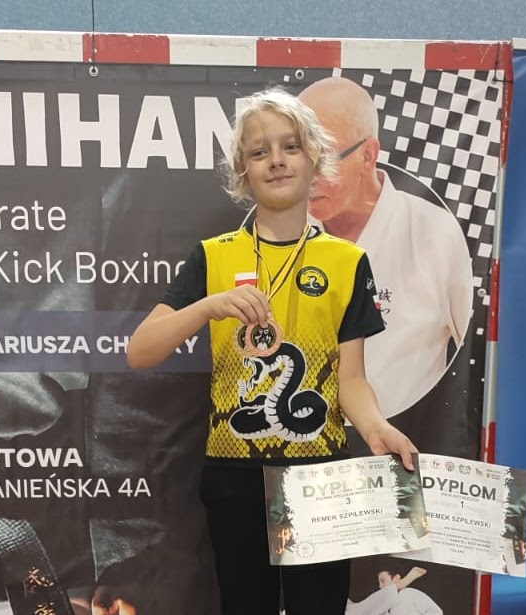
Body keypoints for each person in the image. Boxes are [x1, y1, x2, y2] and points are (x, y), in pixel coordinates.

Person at [126, 87, 417, 615]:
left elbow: (351, 378)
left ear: (315, 158)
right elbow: (139, 352)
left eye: (290, 146)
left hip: (321, 477)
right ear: (243, 171)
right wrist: (207, 307)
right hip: (234, 475)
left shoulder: (347, 261)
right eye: (259, 152)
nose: (276, 160)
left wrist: (377, 427)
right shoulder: (214, 256)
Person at [298, 77, 473, 418]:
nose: (308, 176)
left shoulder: (436, 234)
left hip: (409, 437)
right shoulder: (280, 235)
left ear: (369, 154)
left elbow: (475, 357)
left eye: (324, 159)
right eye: (298, 154)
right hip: (302, 439)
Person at [345, 565, 438, 615]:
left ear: (396, 578)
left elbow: (435, 612)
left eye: (383, 581)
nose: (380, 586)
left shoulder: (408, 593)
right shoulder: (385, 607)